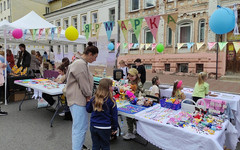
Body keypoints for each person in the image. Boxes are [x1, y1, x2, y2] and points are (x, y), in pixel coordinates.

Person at [65, 41, 98, 150]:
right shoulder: (80, 64)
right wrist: (89, 95)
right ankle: (77, 147)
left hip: (78, 99)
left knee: (80, 127)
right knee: (79, 128)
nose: (95, 59)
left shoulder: (81, 63)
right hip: (77, 99)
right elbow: (83, 83)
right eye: (95, 57)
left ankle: (78, 146)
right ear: (90, 54)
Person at [86, 78, 118, 150]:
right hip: (105, 127)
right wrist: (114, 128)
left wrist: (88, 102)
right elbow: (114, 117)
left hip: (94, 126)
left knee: (95, 146)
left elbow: (88, 110)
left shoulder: (94, 99)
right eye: (111, 86)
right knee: (105, 146)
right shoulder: (112, 101)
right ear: (109, 88)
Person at [123, 68, 144, 140]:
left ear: (136, 76)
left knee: (134, 118)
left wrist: (140, 98)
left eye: (132, 76)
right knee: (129, 117)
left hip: (135, 103)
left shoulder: (139, 83)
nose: (130, 77)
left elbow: (143, 92)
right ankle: (132, 131)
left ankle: (134, 131)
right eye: (129, 75)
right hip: (128, 102)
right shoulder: (128, 82)